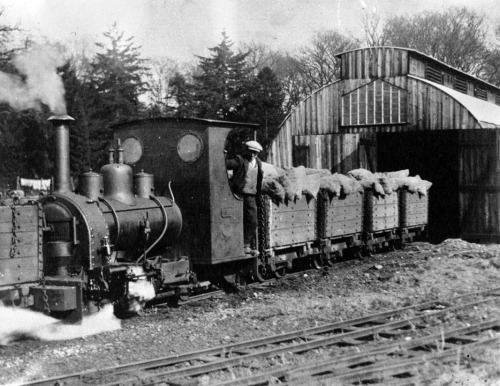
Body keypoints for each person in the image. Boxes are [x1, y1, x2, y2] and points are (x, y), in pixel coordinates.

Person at [226, 141, 264, 254]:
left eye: (255, 153)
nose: (253, 155)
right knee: (236, 220)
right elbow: (227, 164)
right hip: (239, 195)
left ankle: (246, 245)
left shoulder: (258, 163)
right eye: (251, 152)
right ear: (247, 151)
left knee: (252, 220)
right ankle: (236, 245)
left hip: (251, 196)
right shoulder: (240, 160)